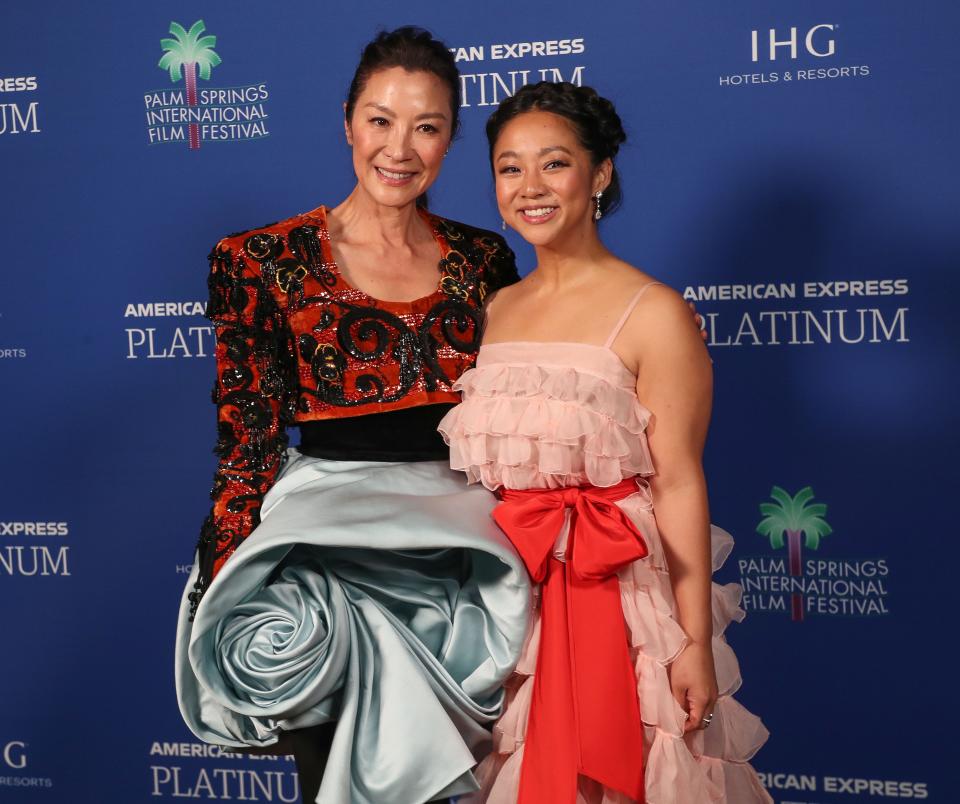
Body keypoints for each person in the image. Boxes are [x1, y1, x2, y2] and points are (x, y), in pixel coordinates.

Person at [174, 28, 533, 804]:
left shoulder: (485, 261)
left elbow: (510, 422)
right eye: (380, 120)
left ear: (450, 138)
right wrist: (222, 570)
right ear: (347, 121)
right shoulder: (261, 260)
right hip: (325, 547)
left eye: (427, 126)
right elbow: (248, 439)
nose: (399, 148)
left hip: (460, 556)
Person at [439, 81, 772, 803]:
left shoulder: (654, 312)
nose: (529, 187)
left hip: (620, 597)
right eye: (509, 167)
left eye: (554, 164)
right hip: (512, 605)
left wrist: (692, 644)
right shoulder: (495, 308)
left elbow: (680, 480)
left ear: (600, 173)